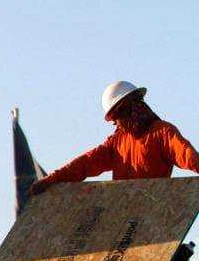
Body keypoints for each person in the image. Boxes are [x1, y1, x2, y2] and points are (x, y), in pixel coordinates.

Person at [31, 80, 199, 193]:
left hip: (151, 214)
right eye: (114, 118)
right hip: (122, 216)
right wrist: (51, 180)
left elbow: (187, 156)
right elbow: (84, 163)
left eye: (119, 114)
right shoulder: (117, 143)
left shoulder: (162, 133)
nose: (117, 122)